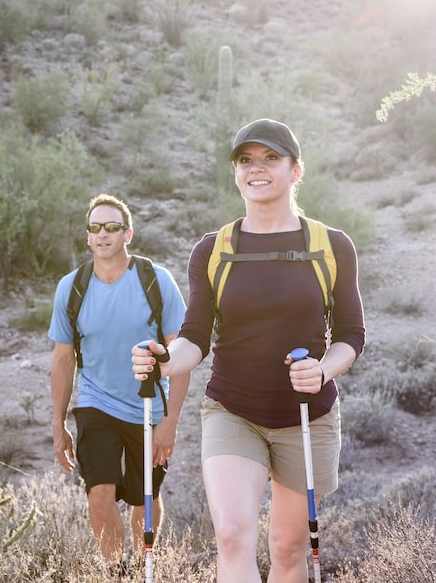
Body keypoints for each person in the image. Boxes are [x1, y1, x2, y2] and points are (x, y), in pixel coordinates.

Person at [132, 119, 365, 583]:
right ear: (236, 173)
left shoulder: (331, 246)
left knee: (286, 548)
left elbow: (350, 336)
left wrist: (321, 371)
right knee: (234, 536)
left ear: (296, 170)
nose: (256, 169)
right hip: (232, 410)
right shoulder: (213, 249)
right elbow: (194, 337)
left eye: (270, 159)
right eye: (245, 161)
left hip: (307, 414)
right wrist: (163, 361)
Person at [49, 193, 190, 575]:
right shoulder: (72, 287)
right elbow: (63, 360)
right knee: (100, 493)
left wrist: (171, 421)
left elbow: (183, 355)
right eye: (95, 227)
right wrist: (58, 424)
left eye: (111, 227)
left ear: (128, 233)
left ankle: (147, 566)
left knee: (145, 500)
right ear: (88, 236)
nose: (102, 234)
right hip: (96, 404)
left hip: (148, 406)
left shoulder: (155, 281)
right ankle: (117, 572)